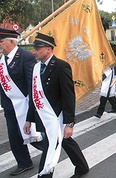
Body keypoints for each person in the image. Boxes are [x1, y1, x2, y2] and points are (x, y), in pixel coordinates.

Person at [24, 33, 89, 178]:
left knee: (50, 146)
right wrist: (28, 119)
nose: (35, 51)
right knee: (65, 141)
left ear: (48, 49)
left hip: (56, 118)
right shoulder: (36, 68)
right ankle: (82, 166)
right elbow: (34, 96)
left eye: (38, 48)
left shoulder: (60, 66)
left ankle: (44, 174)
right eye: (34, 48)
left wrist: (69, 123)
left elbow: (68, 96)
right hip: (43, 116)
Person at [0, 29, 42, 176]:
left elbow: (32, 84)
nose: (0, 45)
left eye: (1, 42)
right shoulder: (2, 59)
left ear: (12, 42)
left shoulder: (25, 57)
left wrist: (33, 107)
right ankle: (24, 162)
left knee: (33, 135)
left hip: (24, 105)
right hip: (9, 105)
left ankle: (53, 148)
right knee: (14, 136)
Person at [95, 18, 116, 118]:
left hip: (110, 68)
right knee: (109, 89)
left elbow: (114, 58)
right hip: (103, 68)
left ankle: (100, 112)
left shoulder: (108, 44)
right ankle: (115, 106)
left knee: (105, 89)